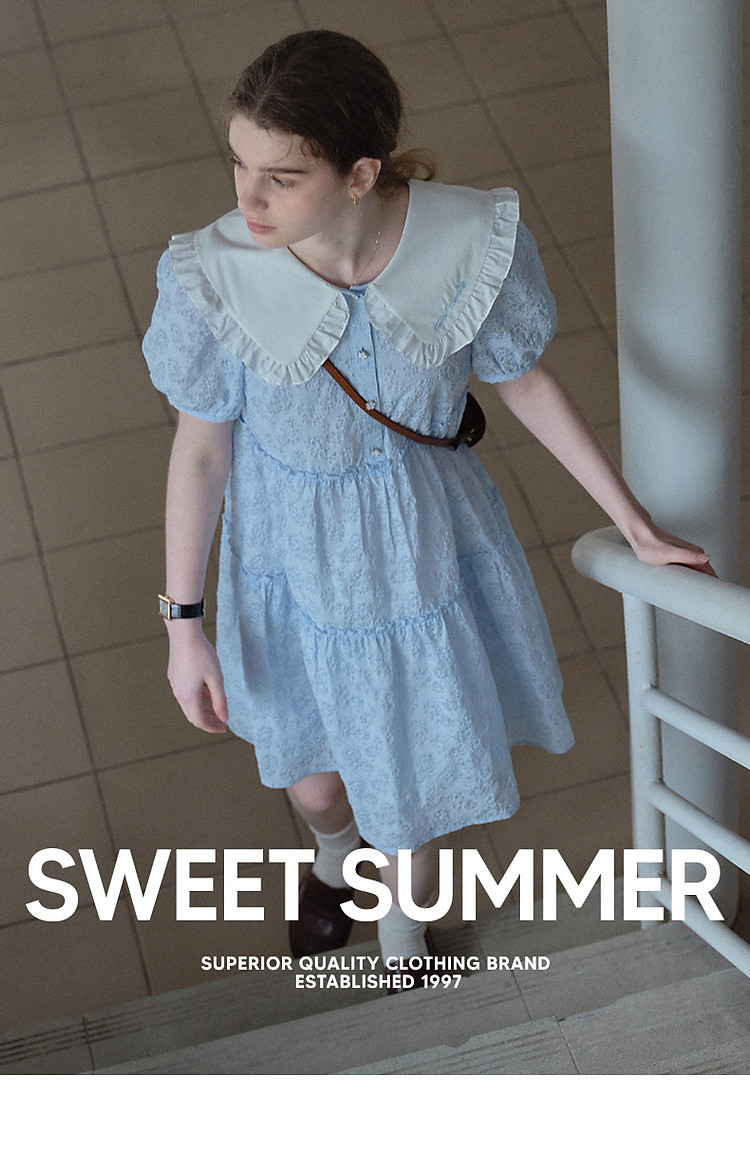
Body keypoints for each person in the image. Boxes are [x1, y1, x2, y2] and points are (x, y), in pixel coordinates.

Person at [142, 29, 713, 990]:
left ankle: (405, 946)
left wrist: (633, 521)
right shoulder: (216, 275)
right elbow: (201, 451)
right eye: (238, 164)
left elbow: (522, 381)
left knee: (408, 780)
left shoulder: (468, 242)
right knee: (314, 779)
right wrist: (183, 625)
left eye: (282, 176)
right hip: (289, 562)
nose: (247, 200)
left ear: (360, 174)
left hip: (419, 552)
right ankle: (335, 855)